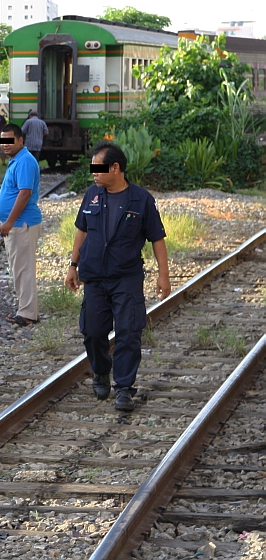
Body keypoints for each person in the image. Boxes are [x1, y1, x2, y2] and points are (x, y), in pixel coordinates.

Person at [65, 142, 170, 412]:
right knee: (93, 330)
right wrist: (72, 265)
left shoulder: (141, 199)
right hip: (95, 277)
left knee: (128, 333)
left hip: (126, 277)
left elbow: (157, 238)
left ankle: (124, 388)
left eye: (98, 168)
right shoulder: (92, 195)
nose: (94, 174)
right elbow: (82, 231)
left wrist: (163, 275)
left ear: (115, 168)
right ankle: (100, 372)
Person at [0, 123, 42, 326]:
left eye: (9, 140)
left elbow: (25, 193)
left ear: (20, 140)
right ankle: (24, 308)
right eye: (2, 141)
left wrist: (10, 221)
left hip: (22, 223)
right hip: (19, 224)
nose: (5, 145)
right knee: (18, 267)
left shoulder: (24, 161)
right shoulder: (17, 160)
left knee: (23, 268)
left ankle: (28, 313)